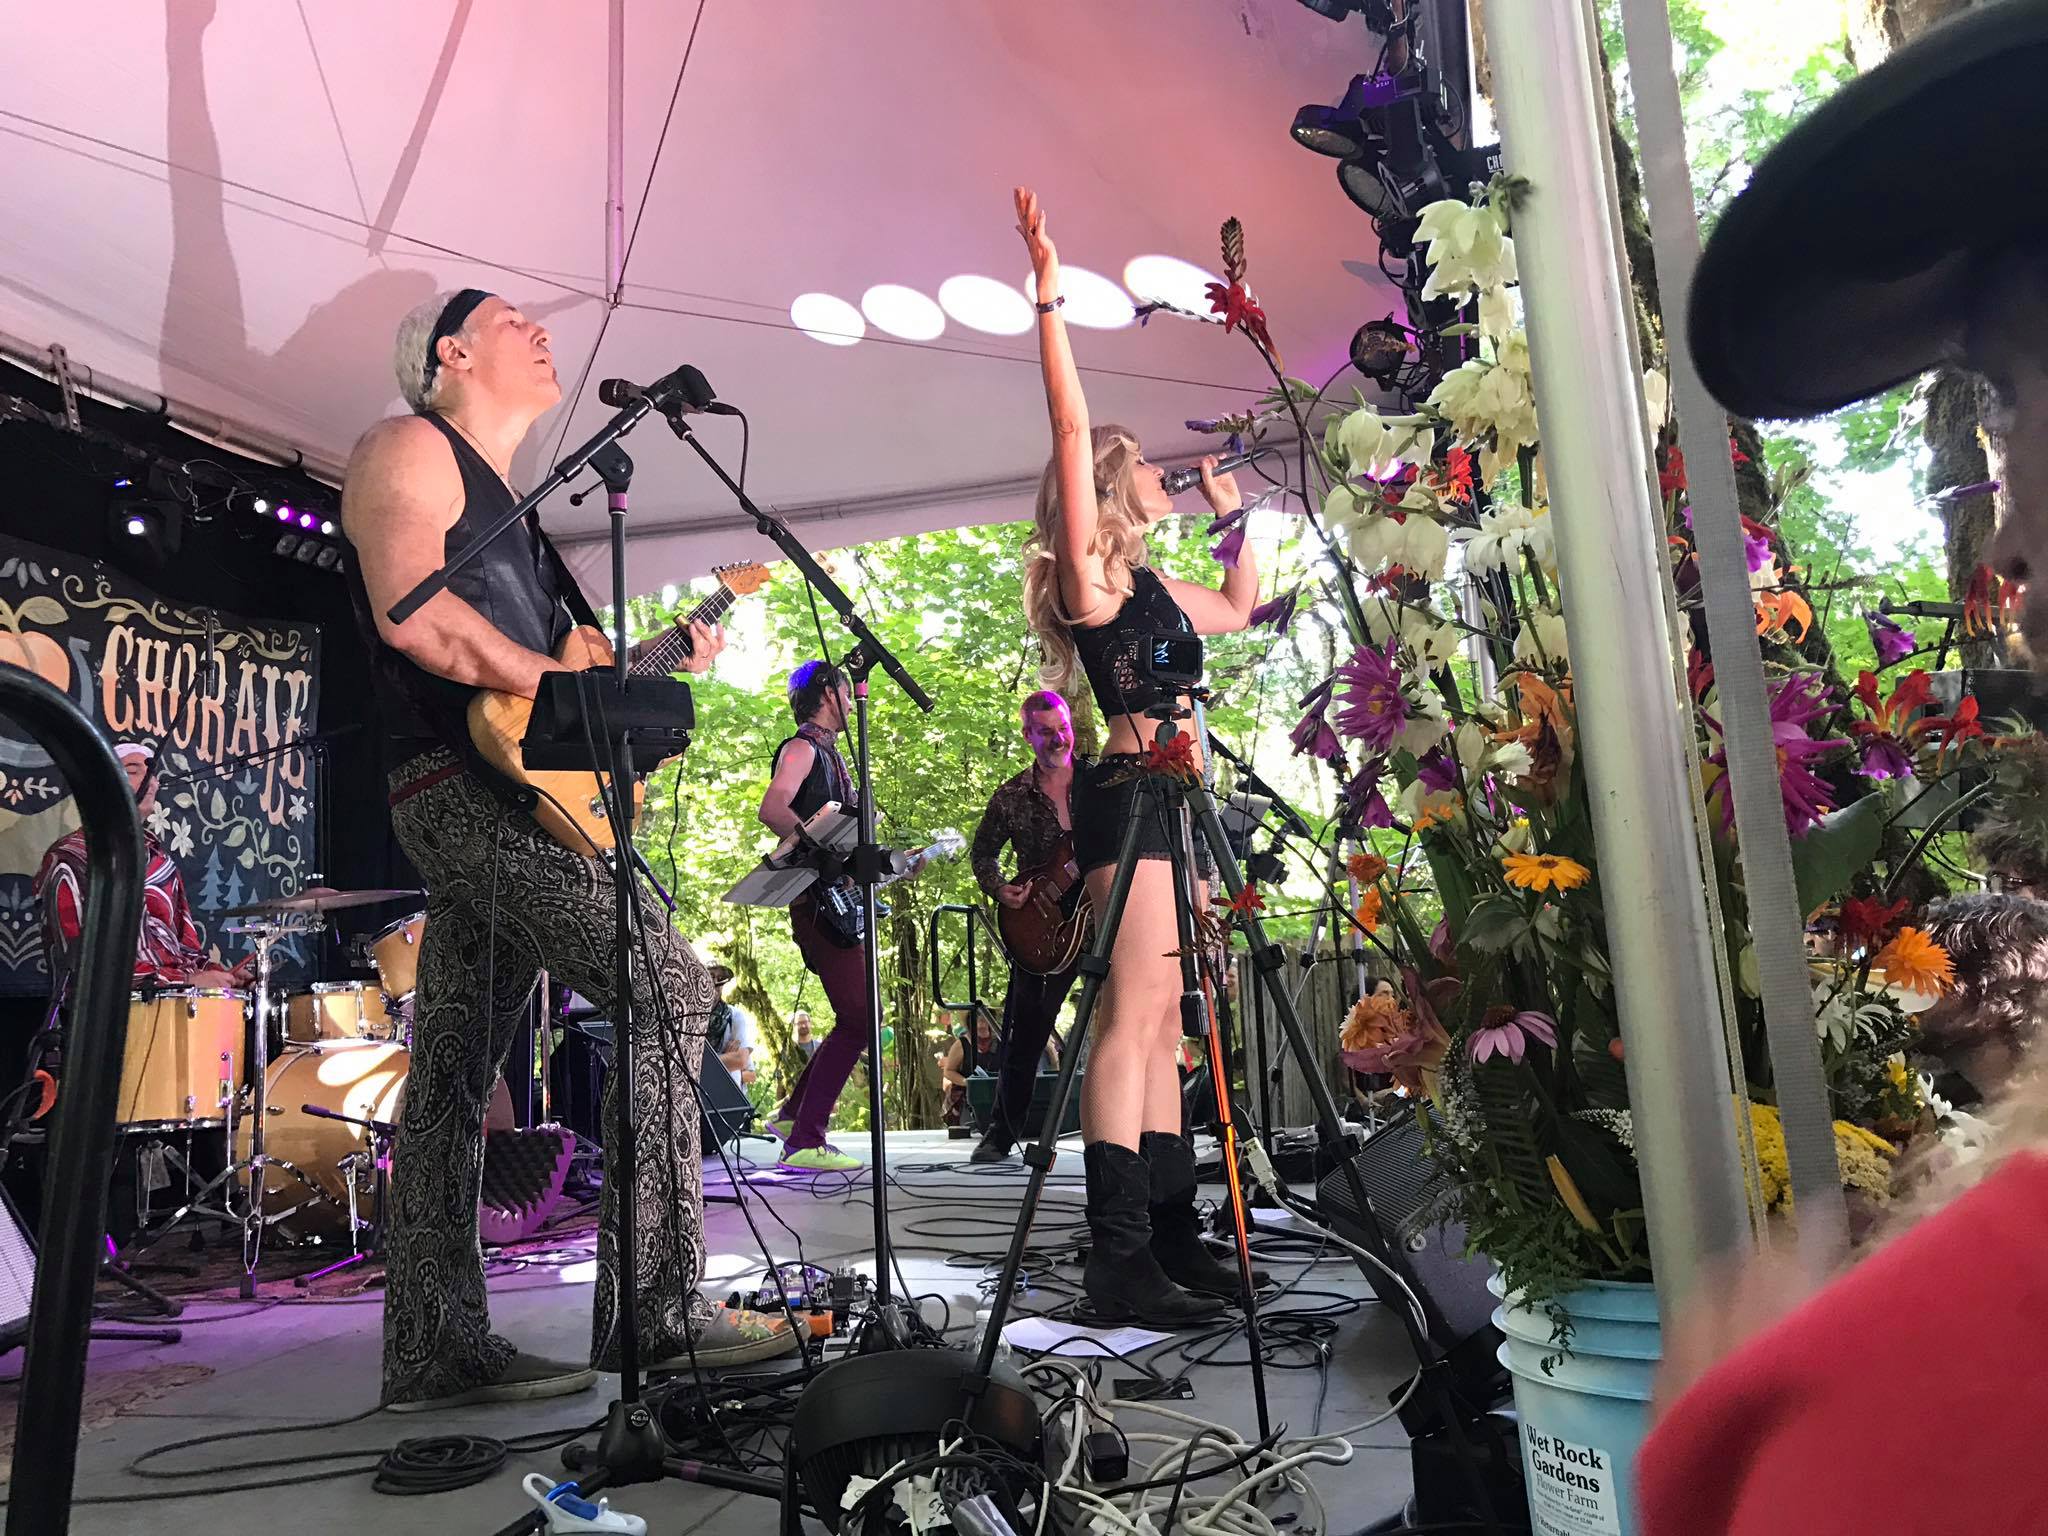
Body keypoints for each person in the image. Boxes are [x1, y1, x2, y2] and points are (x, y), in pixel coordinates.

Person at [341, 287, 792, 1411]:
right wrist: (564, 677)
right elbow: (415, 616)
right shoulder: (406, 445)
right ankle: (655, 1305)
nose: (540, 329)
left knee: (450, 1077)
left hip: (512, 799)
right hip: (452, 788)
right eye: (509, 320)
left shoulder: (523, 521)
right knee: (668, 985)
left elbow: (545, 697)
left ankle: (435, 1350)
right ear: (453, 352)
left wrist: (628, 670)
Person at [1015, 186, 1263, 1324]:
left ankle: (1168, 1229)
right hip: (1127, 790)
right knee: (1129, 1015)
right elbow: (1069, 430)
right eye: (1153, 473)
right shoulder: (1097, 579)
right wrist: (1049, 293)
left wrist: (1231, 515)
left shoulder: (1158, 586)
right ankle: (1115, 1252)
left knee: (1170, 1010)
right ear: (1111, 488)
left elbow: (1242, 609)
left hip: (1183, 795)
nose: (1169, 475)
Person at [756, 661, 926, 1172]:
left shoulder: (829, 752)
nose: (853, 702)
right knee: (860, 1018)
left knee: (855, 1017)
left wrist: (888, 863)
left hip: (836, 899)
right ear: (827, 693)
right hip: (815, 900)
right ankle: (805, 1140)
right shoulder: (804, 747)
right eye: (847, 693)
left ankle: (791, 1117)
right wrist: (821, 850)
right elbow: (773, 807)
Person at [969, 689, 1086, 1161]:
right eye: (1045, 732)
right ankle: (1002, 1132)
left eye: (1062, 727)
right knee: (1025, 1031)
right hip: (1041, 930)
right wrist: (1001, 888)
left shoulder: (1100, 784)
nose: (1058, 739)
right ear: (1028, 736)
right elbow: (983, 853)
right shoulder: (1011, 796)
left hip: (1106, 913)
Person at [36, 741, 252, 992]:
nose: (152, 782)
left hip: (173, 1008)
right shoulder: (71, 859)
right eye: (134, 770)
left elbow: (185, 951)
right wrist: (182, 981)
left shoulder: (160, 861)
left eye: (153, 773)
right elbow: (82, 965)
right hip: (106, 1020)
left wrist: (218, 974)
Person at [706, 964, 757, 1086]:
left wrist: (694, 1061)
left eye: (720, 978)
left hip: (725, 1092)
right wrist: (725, 1058)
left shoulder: (734, 1015)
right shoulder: (688, 1014)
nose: (715, 982)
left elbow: (740, 1060)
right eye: (711, 976)